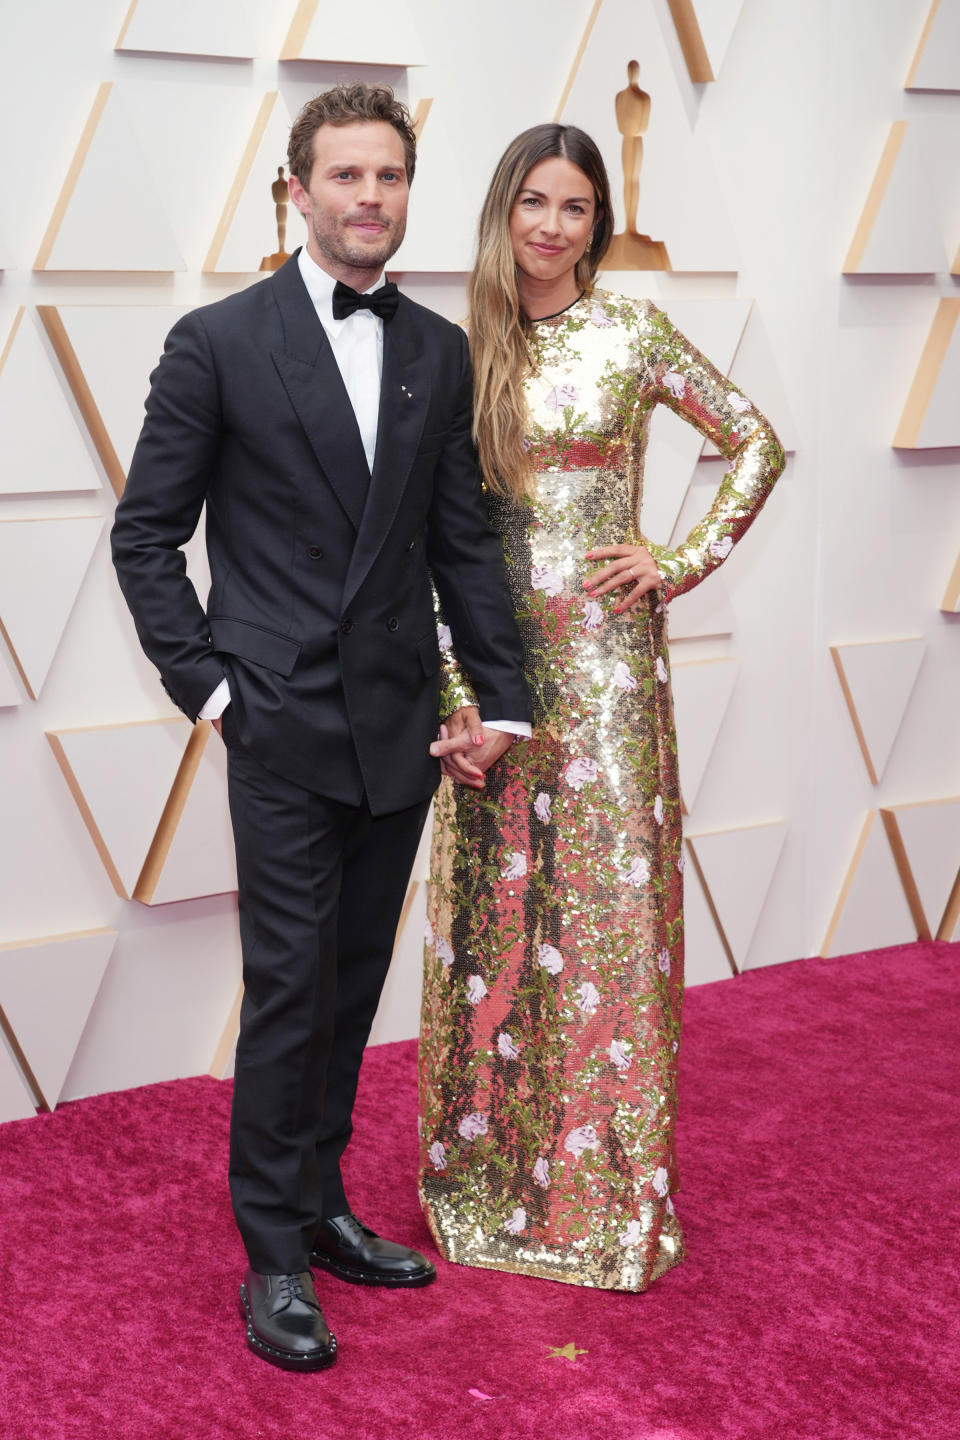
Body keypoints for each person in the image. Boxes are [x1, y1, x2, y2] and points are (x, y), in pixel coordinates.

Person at [111, 83, 531, 1370]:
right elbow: (145, 537)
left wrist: (502, 697)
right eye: (345, 176)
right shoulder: (217, 341)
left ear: (409, 193)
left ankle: (322, 1200)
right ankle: (274, 1256)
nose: (369, 199)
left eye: (389, 178)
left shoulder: (438, 349)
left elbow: (459, 537)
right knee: (289, 990)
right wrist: (216, 689)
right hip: (282, 727)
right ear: (295, 191)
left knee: (350, 987)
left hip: (399, 729)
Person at [419, 123, 785, 1291]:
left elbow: (756, 442)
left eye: (574, 208)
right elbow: (431, 533)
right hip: (489, 670)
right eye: (533, 201)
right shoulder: (461, 346)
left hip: (612, 674)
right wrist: (453, 688)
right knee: (496, 926)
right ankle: (486, 1177)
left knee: (610, 927)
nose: (551, 226)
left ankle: (606, 1198)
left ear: (599, 224)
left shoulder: (630, 331)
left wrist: (679, 560)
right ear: (501, 210)